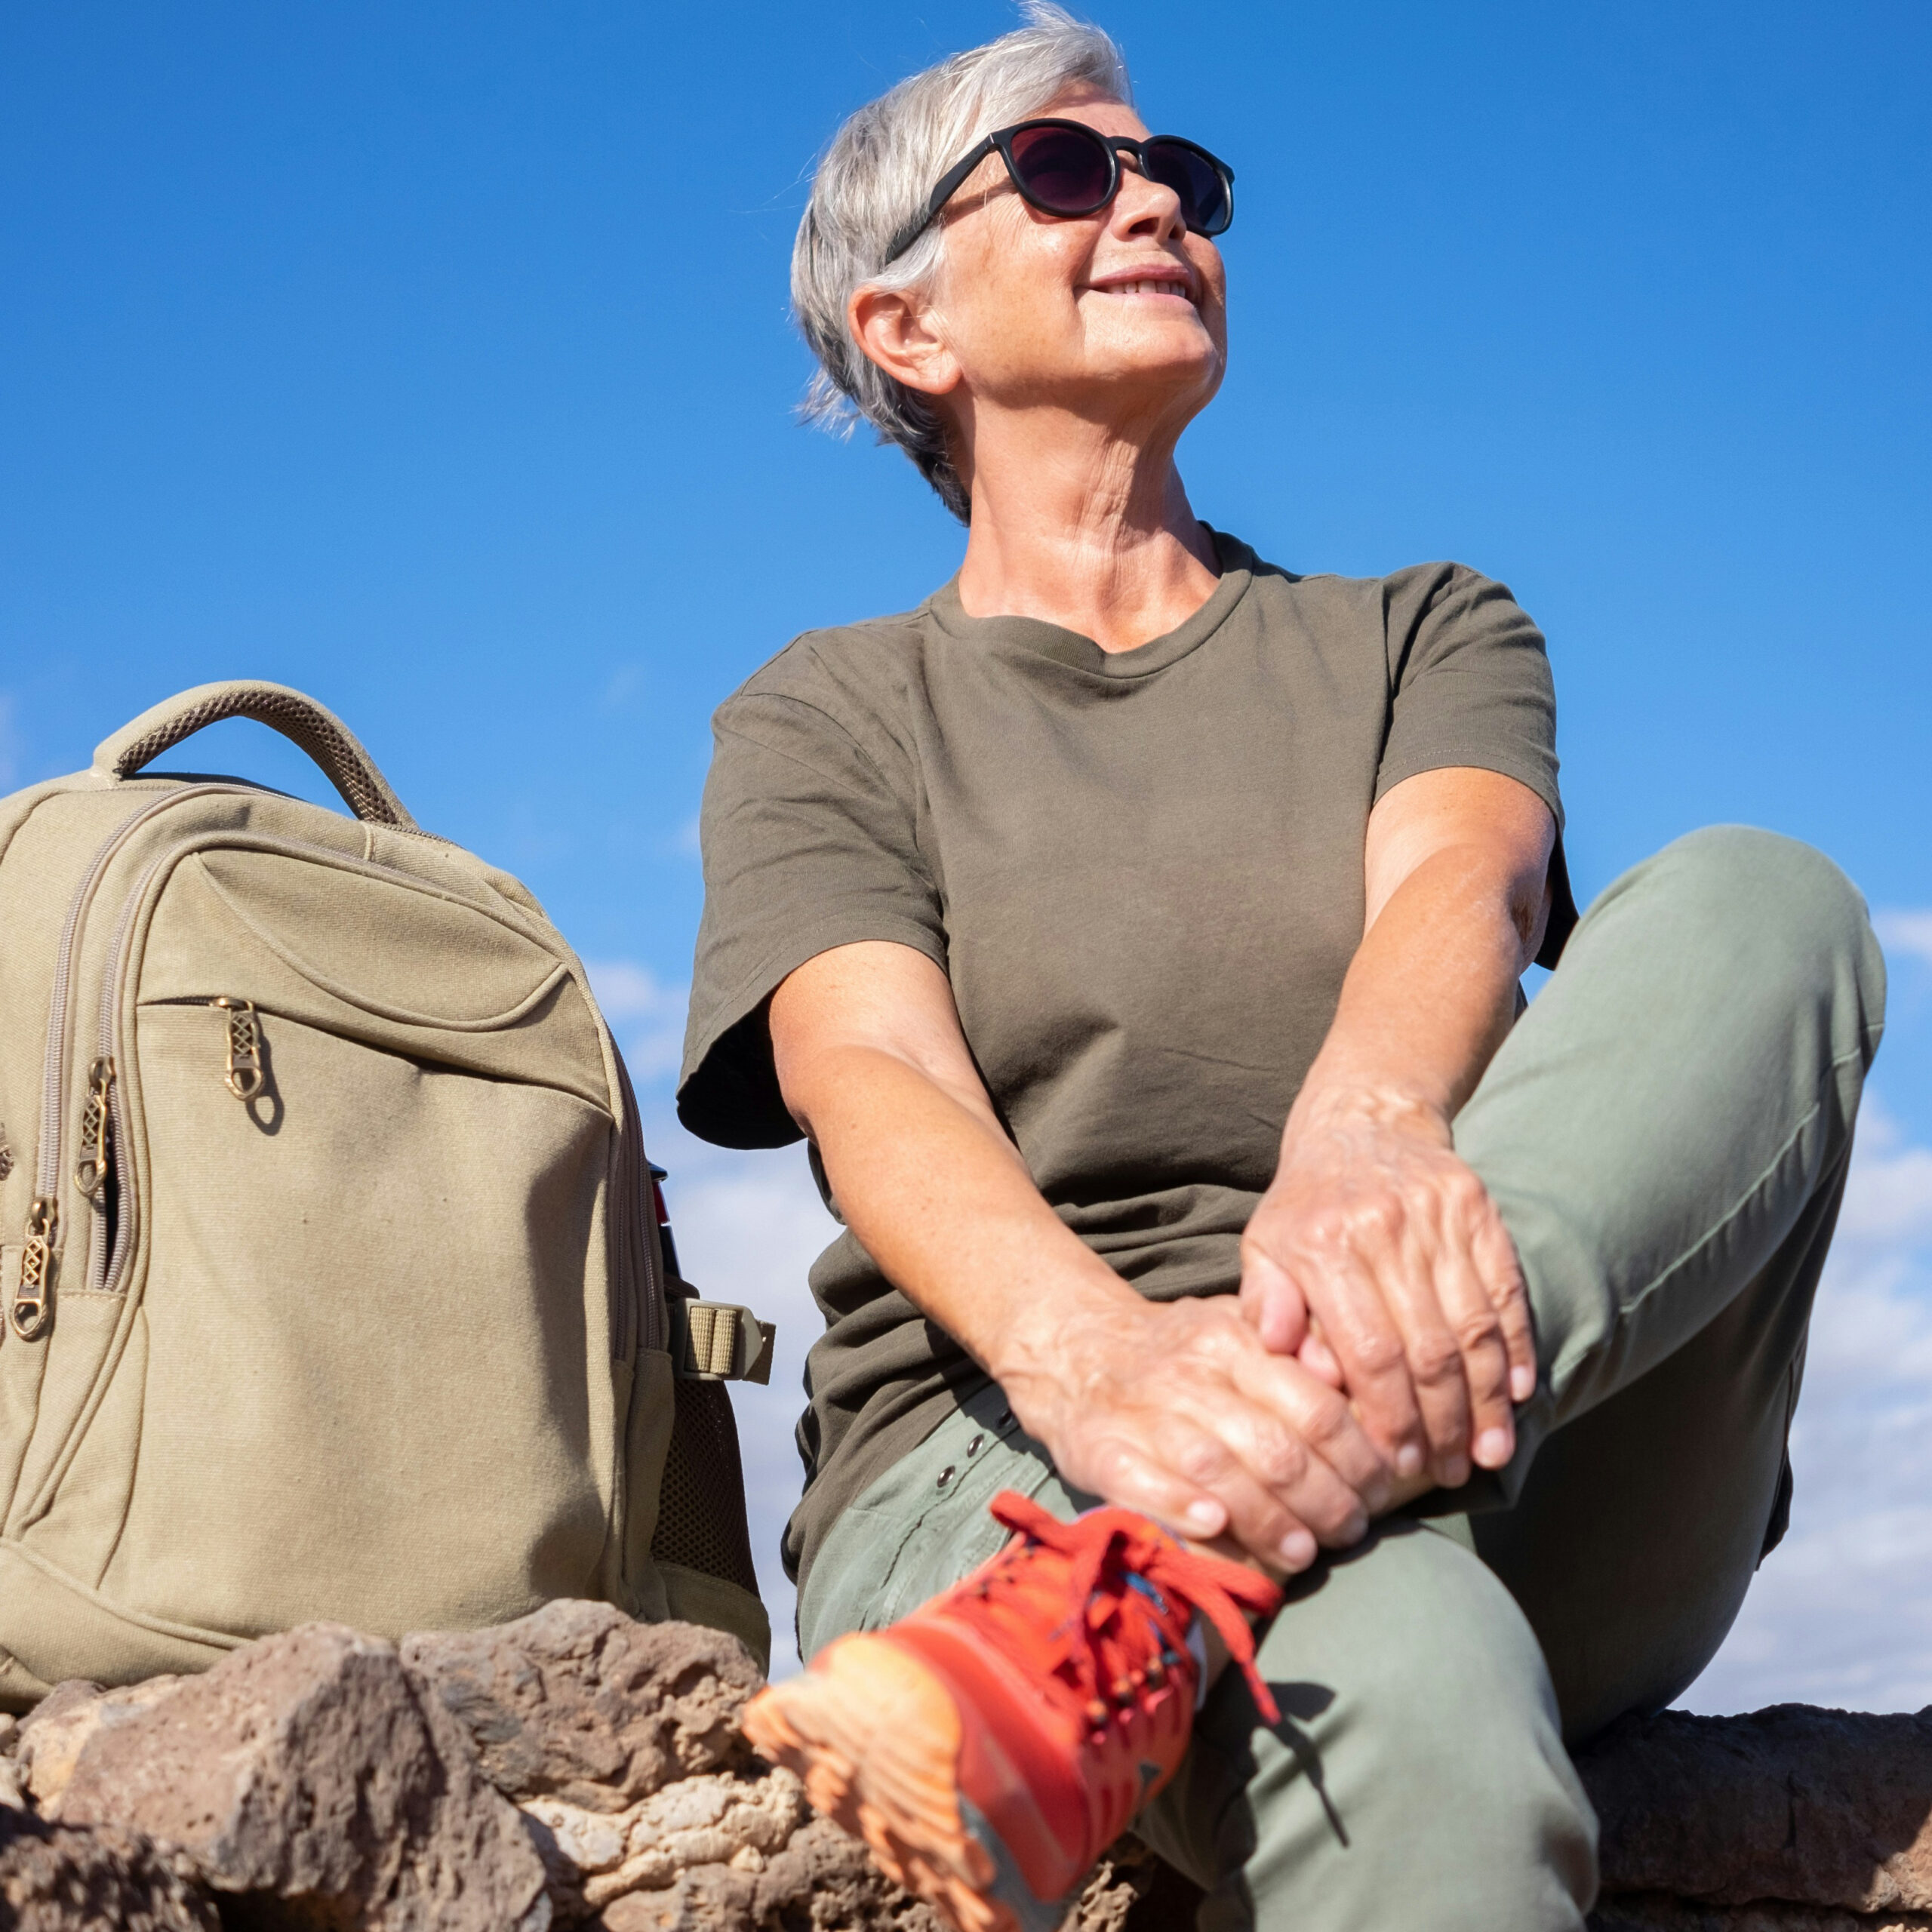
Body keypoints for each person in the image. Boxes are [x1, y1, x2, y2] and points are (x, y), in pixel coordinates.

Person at [675, 9, 1887, 1930]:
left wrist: (1362, 1136)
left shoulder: (1424, 629)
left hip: (1509, 1424)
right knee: (1410, 1698)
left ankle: (1179, 1558)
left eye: (1184, 177)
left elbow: (1461, 896)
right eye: (1069, 171)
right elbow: (869, 1069)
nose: (1153, 197)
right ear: (901, 331)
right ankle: (1173, 1555)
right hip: (1008, 1459)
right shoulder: (830, 712)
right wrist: (1105, 1368)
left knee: (1766, 898)